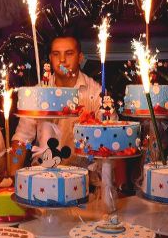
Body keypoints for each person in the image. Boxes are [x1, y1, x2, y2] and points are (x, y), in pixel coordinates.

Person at [10, 34, 108, 175]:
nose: (62, 60)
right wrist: (12, 177)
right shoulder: (38, 93)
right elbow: (22, 137)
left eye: (69, 53)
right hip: (43, 175)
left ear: (80, 57)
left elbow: (110, 137)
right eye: (56, 54)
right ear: (50, 58)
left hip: (83, 176)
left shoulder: (96, 92)